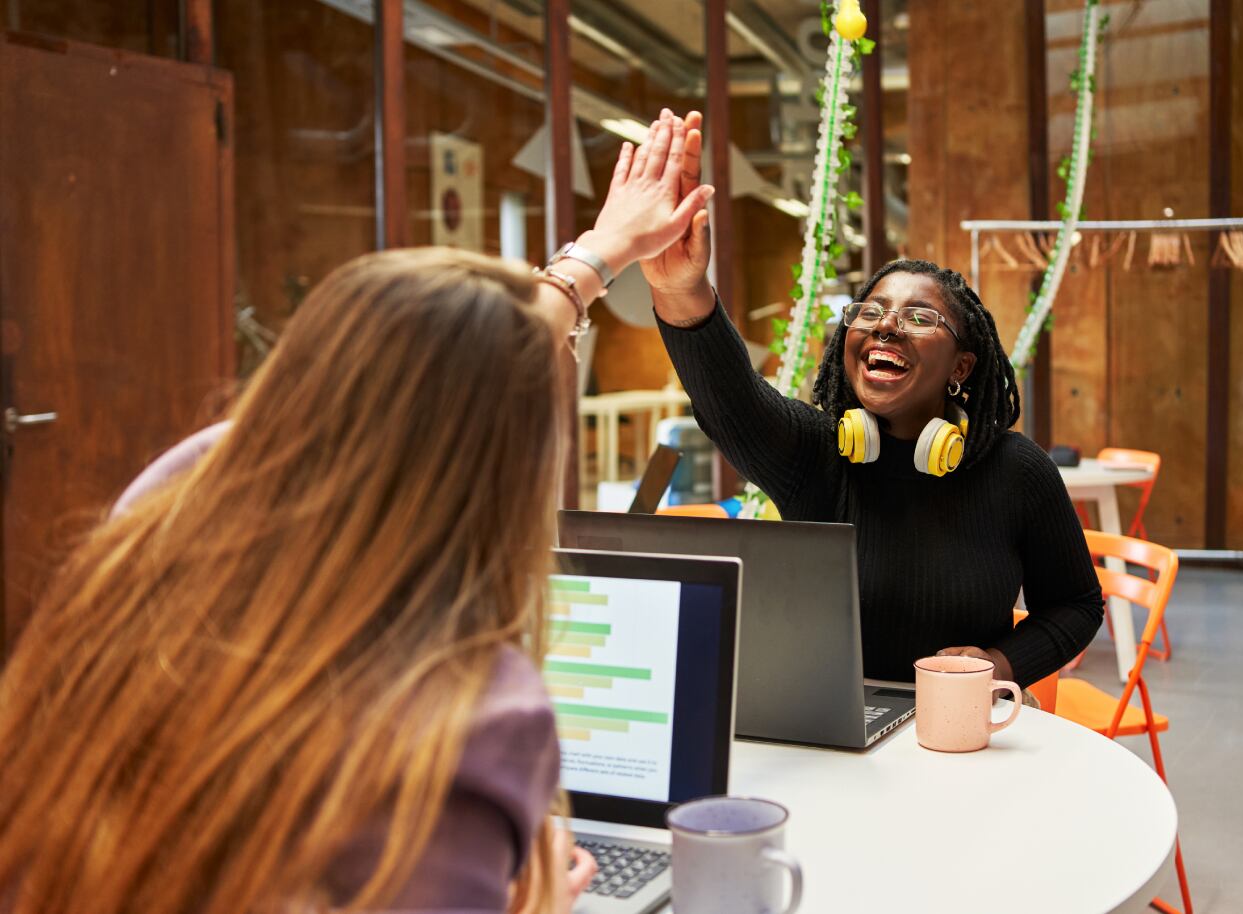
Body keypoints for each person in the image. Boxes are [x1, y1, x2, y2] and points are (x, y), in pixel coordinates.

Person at [0, 113, 714, 914]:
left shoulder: (159, 524)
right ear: (506, 472)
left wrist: (596, 257)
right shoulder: (466, 724)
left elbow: (425, 383)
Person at [636, 108, 1103, 689]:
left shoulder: (1016, 471)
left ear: (960, 366)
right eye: (871, 312)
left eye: (919, 317)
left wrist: (996, 665)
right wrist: (680, 289)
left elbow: (1076, 604)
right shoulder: (814, 454)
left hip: (955, 721)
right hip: (826, 722)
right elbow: (730, 399)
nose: (885, 326)